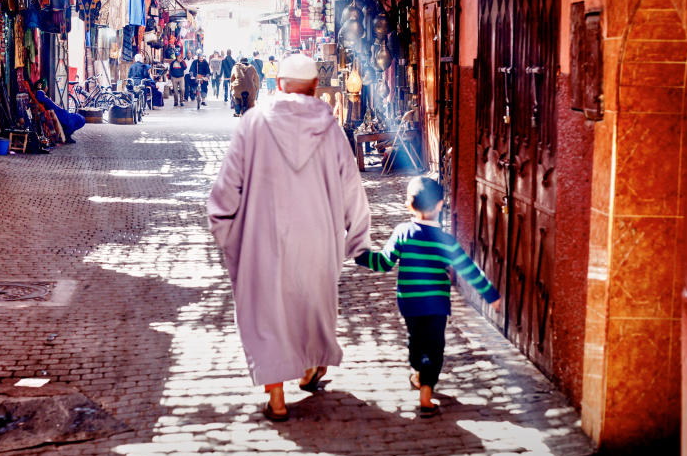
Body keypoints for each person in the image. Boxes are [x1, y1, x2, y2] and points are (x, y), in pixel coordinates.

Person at [207, 53, 372, 422]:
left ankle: (277, 395)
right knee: (312, 307)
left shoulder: (253, 124)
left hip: (263, 238)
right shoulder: (331, 129)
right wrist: (357, 238)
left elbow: (226, 187)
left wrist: (224, 230)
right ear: (315, 89)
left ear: (278, 85)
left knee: (268, 314)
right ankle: (312, 366)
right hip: (318, 240)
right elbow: (352, 190)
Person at [354, 176, 501, 418]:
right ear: (440, 205)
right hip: (436, 306)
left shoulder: (402, 232)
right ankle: (426, 391)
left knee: (417, 344)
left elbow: (384, 263)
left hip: (410, 304)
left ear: (409, 205)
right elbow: (468, 269)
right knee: (435, 347)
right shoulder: (445, 240)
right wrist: (490, 294)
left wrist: (361, 257)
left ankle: (421, 378)